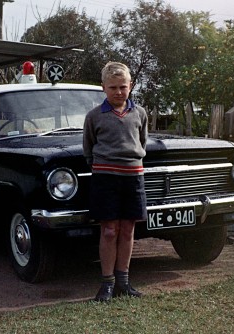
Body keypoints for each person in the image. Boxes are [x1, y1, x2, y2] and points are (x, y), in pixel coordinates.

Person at [83, 61, 148, 302]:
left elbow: (142, 143)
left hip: (133, 177)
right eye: (113, 87)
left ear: (130, 86)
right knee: (109, 231)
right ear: (103, 88)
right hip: (105, 178)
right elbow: (88, 149)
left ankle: (124, 282)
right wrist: (103, 165)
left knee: (128, 229)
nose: (118, 92)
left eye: (123, 86)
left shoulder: (140, 113)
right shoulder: (94, 116)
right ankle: (107, 284)